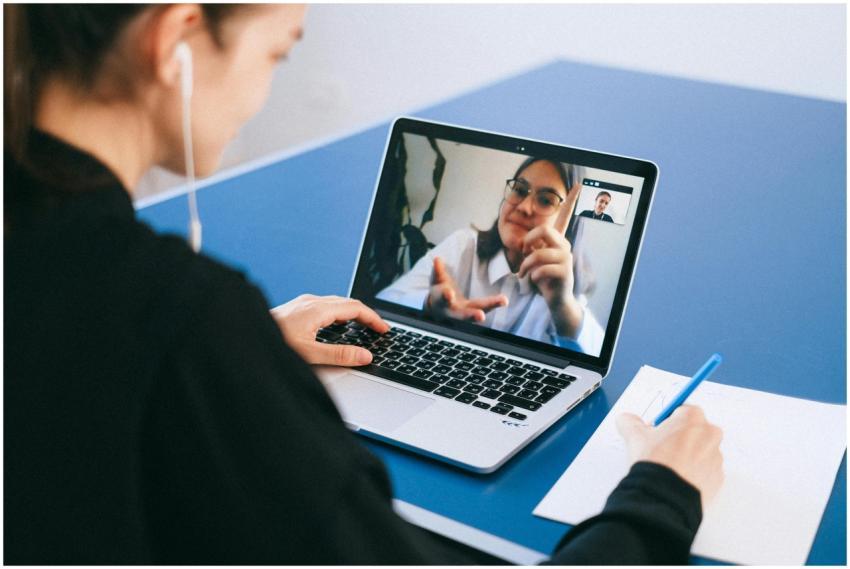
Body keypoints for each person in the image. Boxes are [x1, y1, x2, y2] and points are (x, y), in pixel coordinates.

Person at [4, 4, 724, 564]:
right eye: (276, 53)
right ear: (177, 40)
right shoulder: (187, 322)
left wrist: (249, 345)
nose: (263, 92)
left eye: (546, 200)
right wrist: (661, 494)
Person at [378, 157, 605, 355]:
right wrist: (429, 304)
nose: (525, 207)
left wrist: (562, 305)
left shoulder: (562, 290)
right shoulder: (464, 245)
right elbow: (385, 301)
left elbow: (596, 361)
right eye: (519, 189)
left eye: (546, 200)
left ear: (569, 222)